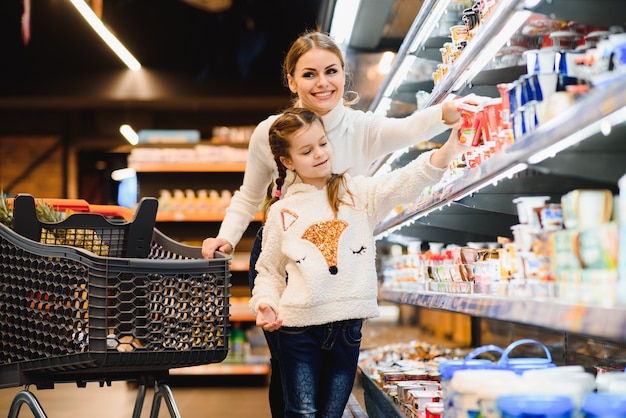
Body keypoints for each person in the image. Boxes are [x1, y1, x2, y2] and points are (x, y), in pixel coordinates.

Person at [201, 31, 479, 417]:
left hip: (344, 260)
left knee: (329, 373)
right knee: (288, 365)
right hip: (285, 256)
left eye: (331, 71)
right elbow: (249, 196)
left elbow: (409, 129)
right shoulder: (271, 132)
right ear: (291, 80)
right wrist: (225, 238)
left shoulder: (361, 127)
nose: (322, 83)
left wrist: (446, 114)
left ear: (344, 75)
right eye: (309, 74)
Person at [249, 107, 465, 417]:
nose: (320, 154)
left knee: (331, 414)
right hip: (298, 330)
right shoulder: (281, 213)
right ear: (287, 161)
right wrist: (265, 303)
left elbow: (407, 180)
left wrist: (449, 149)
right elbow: (268, 270)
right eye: (306, 150)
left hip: (348, 327)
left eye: (323, 143)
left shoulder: (356, 193)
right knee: (303, 413)